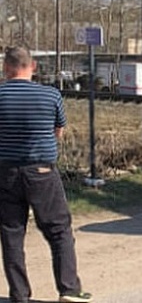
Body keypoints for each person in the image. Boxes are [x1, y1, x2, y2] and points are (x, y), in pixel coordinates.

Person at [0, 47, 92, 303]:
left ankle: (19, 294)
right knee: (59, 229)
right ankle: (69, 289)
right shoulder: (50, 94)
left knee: (11, 232)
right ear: (34, 67)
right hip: (41, 170)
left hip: (5, 170)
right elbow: (58, 130)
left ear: (6, 67)